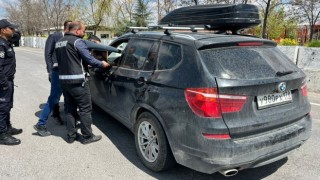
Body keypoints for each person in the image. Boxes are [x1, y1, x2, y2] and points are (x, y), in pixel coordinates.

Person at [55, 21, 110, 144]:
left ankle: (71, 136)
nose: (84, 34)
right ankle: (87, 136)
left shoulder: (59, 42)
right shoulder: (77, 41)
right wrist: (102, 63)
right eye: (84, 31)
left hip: (64, 81)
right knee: (85, 109)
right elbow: (89, 59)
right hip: (78, 81)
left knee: (70, 109)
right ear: (77, 31)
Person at [33, 20, 72, 137]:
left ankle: (68, 119)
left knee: (66, 96)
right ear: (66, 28)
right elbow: (48, 54)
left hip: (67, 73)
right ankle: (42, 122)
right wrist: (50, 71)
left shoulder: (71, 39)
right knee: (54, 97)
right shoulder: (55, 36)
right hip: (56, 72)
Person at [0, 19, 22, 145]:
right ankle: (2, 134)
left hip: (9, 80)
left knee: (7, 105)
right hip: (3, 82)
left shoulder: (7, 43)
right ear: (3, 30)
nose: (13, 30)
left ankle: (7, 127)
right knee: (2, 107)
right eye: (11, 28)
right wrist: (3, 83)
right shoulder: (1, 44)